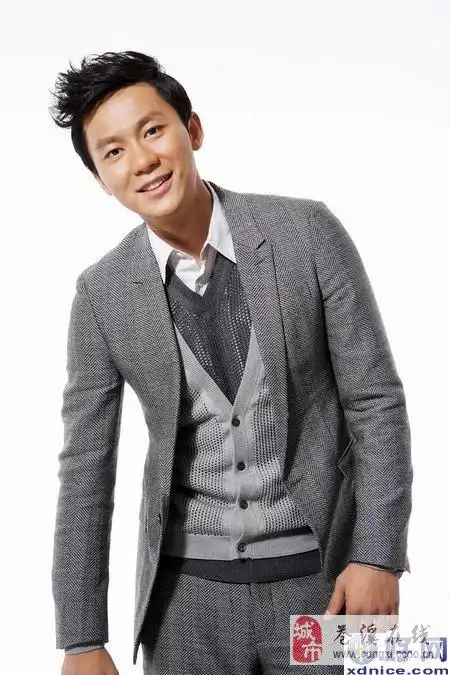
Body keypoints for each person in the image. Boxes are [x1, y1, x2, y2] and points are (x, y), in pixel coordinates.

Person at [50, 50, 413, 675]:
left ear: (192, 129)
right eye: (113, 152)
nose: (142, 160)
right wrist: (81, 639)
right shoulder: (102, 293)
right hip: (184, 604)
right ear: (101, 179)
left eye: (153, 130)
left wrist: (378, 555)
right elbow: (86, 467)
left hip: (323, 585)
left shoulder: (306, 232)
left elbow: (374, 402)